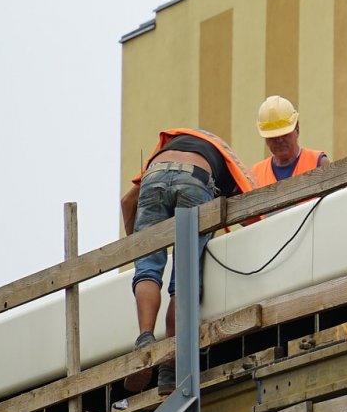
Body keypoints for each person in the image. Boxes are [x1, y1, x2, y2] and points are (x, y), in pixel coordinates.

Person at [120, 128, 253, 394]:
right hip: (196, 179)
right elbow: (251, 210)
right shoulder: (228, 164)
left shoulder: (167, 150)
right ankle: (171, 364)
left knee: (147, 269)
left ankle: (145, 339)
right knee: (183, 279)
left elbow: (126, 202)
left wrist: (138, 246)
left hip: (153, 178)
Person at [251, 95, 328, 186]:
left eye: (285, 134)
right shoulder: (256, 175)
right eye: (273, 136)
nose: (279, 140)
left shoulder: (318, 162)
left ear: (297, 130)